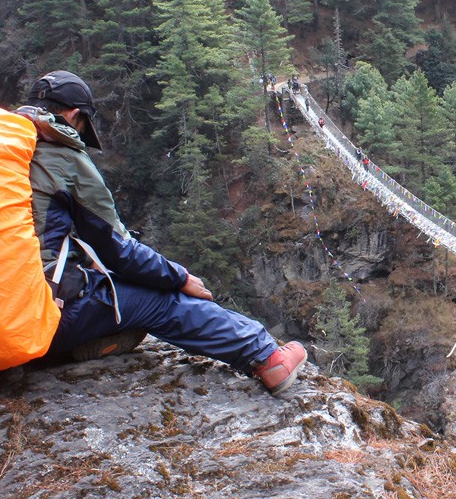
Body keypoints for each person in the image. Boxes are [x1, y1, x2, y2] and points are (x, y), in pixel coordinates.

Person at [17, 70, 306, 394]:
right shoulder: (63, 158)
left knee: (106, 288)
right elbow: (118, 251)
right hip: (34, 319)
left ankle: (74, 344)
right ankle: (267, 357)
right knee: (159, 300)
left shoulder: (1, 154)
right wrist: (179, 277)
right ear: (74, 116)